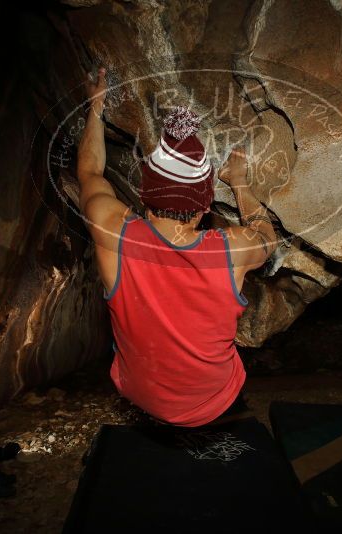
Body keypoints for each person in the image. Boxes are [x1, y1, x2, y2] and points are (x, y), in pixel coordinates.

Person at [75, 67, 277, 426]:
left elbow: (90, 173)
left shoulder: (113, 233)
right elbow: (266, 237)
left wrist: (95, 107)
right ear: (204, 208)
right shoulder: (230, 252)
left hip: (138, 393)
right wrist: (240, 184)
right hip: (213, 400)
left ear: (143, 195)